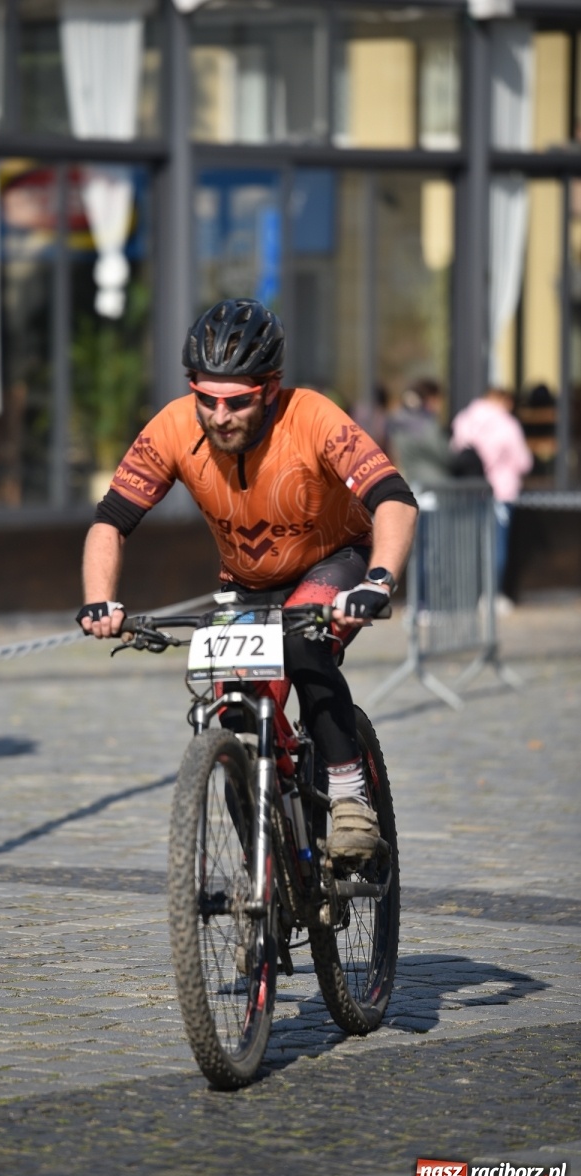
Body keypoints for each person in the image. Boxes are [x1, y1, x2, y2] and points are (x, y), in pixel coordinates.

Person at [76, 298, 418, 862]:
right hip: (247, 581)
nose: (219, 416)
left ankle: (349, 797)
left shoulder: (312, 416)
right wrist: (99, 600)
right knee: (234, 708)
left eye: (237, 401)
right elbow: (110, 521)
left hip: (336, 560)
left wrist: (378, 580)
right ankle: (268, 873)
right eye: (205, 398)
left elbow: (394, 498)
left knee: (303, 643)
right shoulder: (173, 427)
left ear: (270, 388)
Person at [450, 386, 533, 606]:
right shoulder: (507, 424)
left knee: (470, 544)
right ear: (505, 401)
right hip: (500, 492)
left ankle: (468, 592)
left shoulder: (463, 419)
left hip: (469, 492)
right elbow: (524, 461)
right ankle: (491, 595)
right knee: (496, 545)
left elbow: (454, 452)